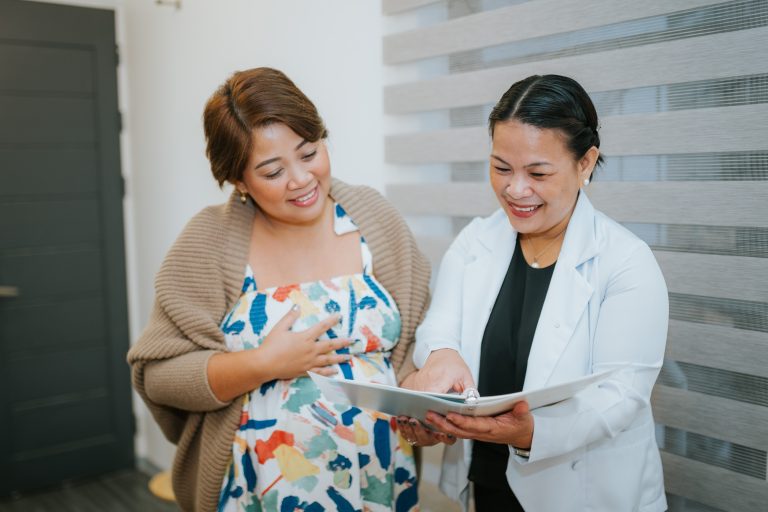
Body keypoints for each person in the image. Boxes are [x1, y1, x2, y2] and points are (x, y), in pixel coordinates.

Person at [128, 67, 430, 512]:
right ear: (237, 179)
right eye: (272, 171)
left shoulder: (373, 218)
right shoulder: (209, 241)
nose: (301, 179)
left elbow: (420, 335)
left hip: (378, 479)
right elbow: (158, 375)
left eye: (309, 153)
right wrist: (261, 363)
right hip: (261, 489)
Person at [398, 75, 669, 511]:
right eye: (501, 167)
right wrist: (441, 356)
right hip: (489, 486)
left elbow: (621, 396)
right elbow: (439, 328)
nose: (515, 189)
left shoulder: (624, 262)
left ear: (585, 163)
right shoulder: (475, 243)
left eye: (538, 173)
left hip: (584, 495)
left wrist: (529, 434)